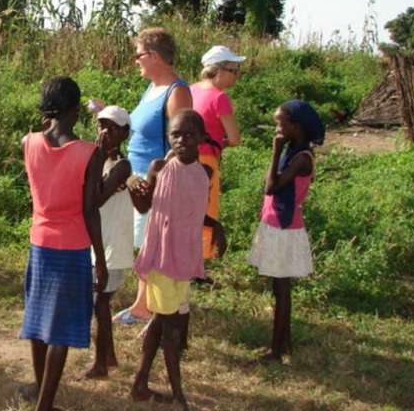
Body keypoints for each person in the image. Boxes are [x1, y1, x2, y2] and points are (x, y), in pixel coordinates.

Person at [19, 77, 106, 411]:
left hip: (39, 242)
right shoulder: (89, 153)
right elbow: (89, 210)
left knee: (40, 322)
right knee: (61, 329)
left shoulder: (29, 142)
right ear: (75, 109)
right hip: (71, 247)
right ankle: (45, 405)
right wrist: (99, 257)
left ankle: (42, 389)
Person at [128, 110, 224, 409]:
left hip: (184, 260)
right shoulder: (160, 167)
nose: (182, 140)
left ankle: (140, 384)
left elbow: (189, 211)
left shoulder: (204, 174)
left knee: (162, 321)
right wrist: (134, 187)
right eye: (175, 134)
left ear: (202, 138)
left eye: (189, 134)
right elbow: (145, 207)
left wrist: (215, 225)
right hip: (162, 258)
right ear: (168, 137)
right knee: (170, 330)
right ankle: (178, 395)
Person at [111, 27, 192, 325]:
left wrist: (160, 179)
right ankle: (144, 303)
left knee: (151, 243)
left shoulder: (177, 91)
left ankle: (149, 306)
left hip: (157, 179)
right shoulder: (152, 88)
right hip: (138, 176)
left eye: (139, 54)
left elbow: (182, 142)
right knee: (145, 243)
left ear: (155, 56)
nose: (136, 60)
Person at [248, 100, 324, 363]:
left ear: (297, 126)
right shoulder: (293, 151)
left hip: (284, 228)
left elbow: (272, 186)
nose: (277, 129)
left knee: (281, 291)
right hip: (276, 224)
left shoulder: (302, 158)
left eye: (281, 123)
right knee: (279, 288)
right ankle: (285, 343)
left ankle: (276, 351)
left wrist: (274, 150)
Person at [85, 105, 133, 379]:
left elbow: (96, 199)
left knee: (100, 304)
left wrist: (100, 155)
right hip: (98, 244)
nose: (105, 131)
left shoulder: (121, 166)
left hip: (112, 245)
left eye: (112, 127)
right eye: (102, 125)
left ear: (124, 133)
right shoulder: (97, 160)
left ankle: (100, 364)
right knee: (99, 303)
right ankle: (108, 356)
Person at [190, 45, 244, 263]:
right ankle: (201, 262)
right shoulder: (220, 98)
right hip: (207, 159)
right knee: (207, 209)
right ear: (218, 70)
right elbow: (234, 138)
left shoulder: (191, 89)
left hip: (183, 158)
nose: (237, 76)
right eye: (234, 70)